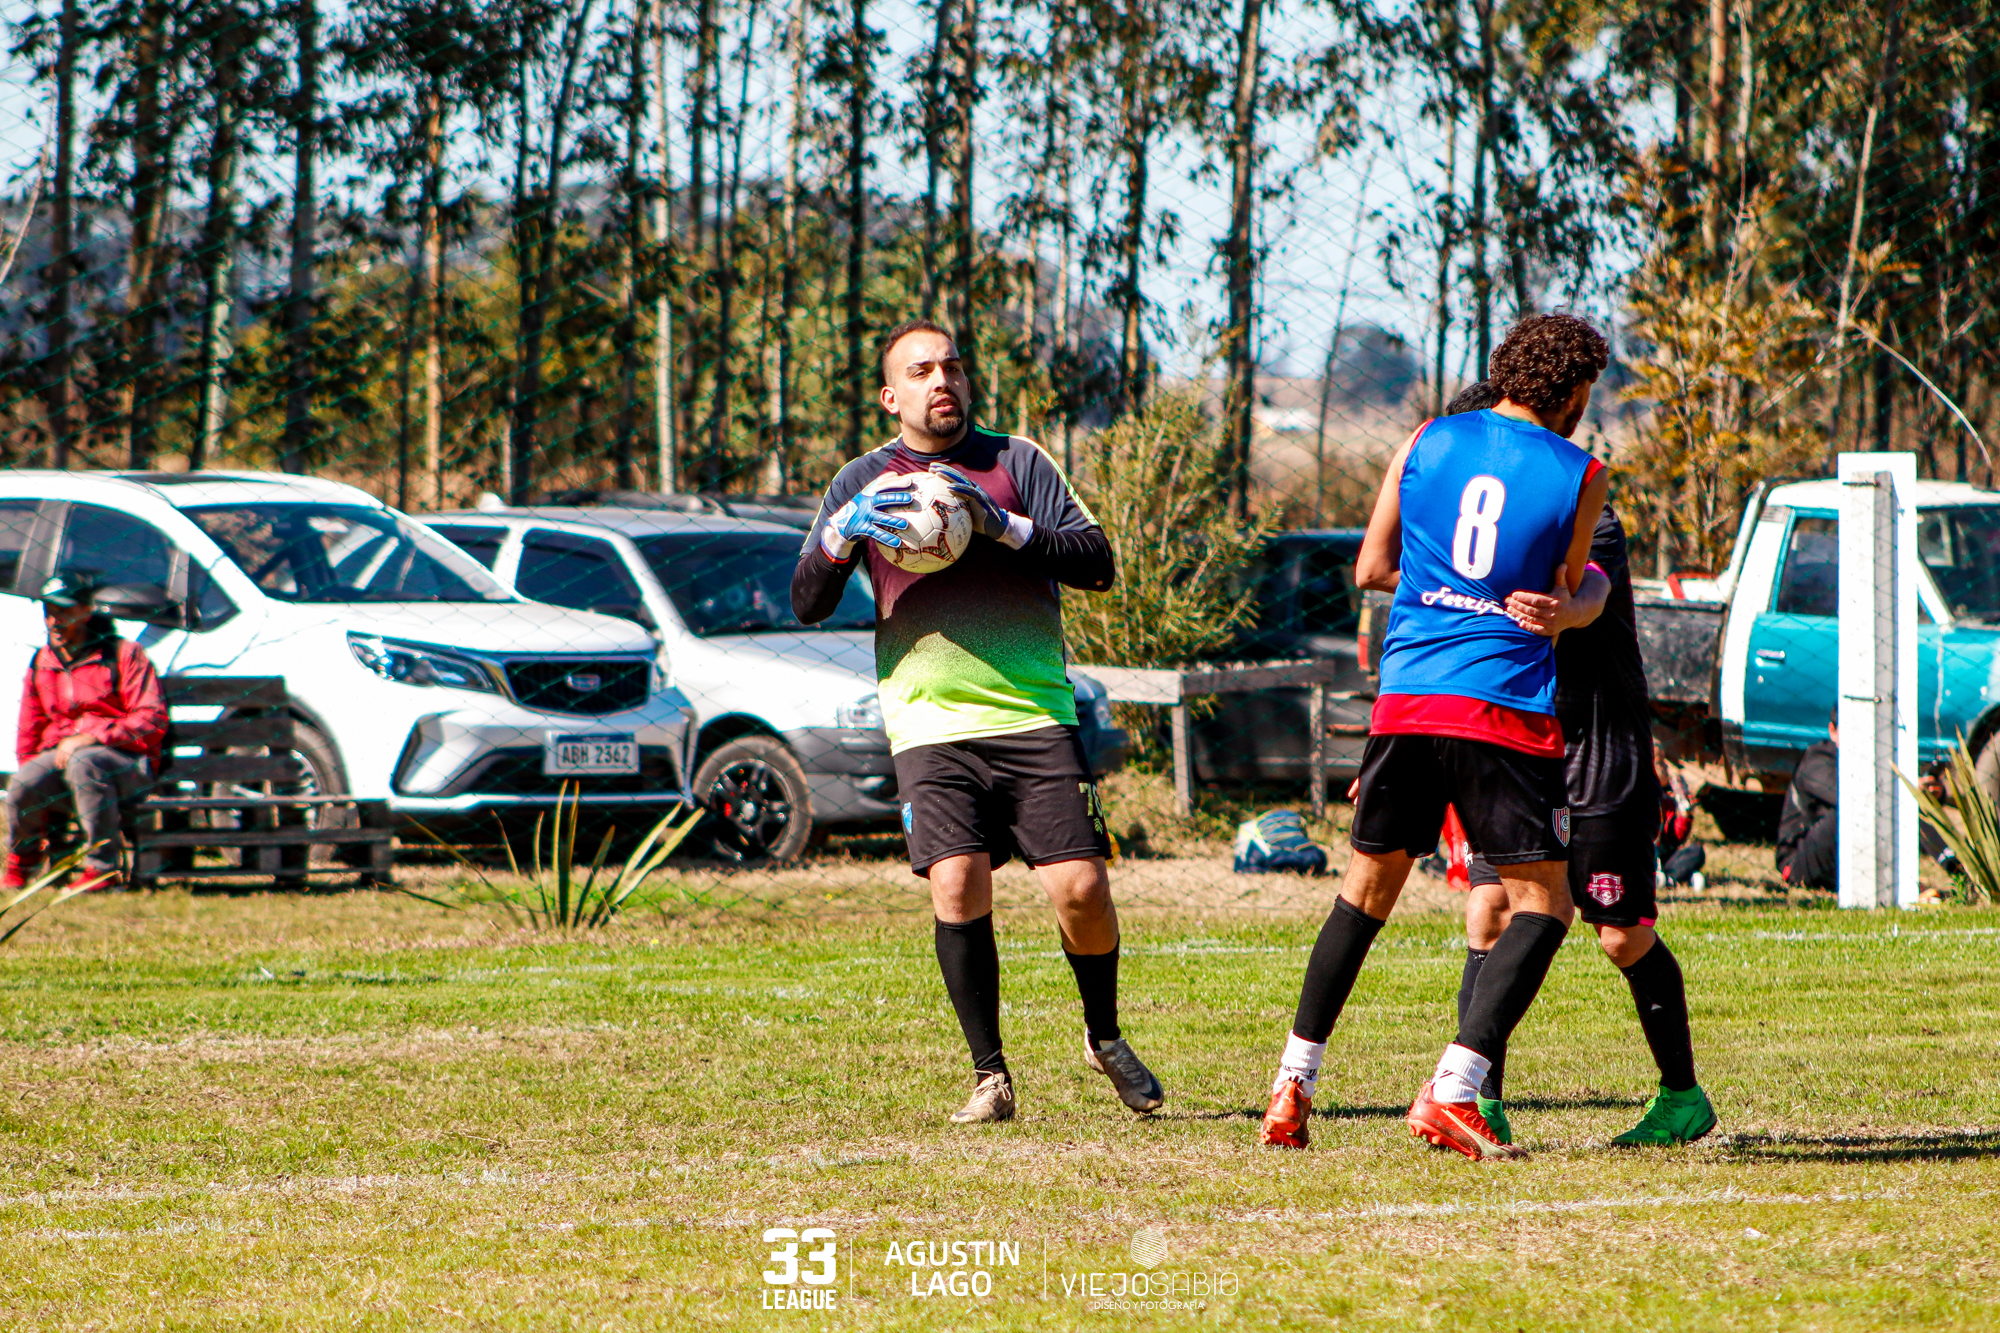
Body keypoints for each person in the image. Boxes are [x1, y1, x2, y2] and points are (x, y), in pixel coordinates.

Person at [791, 318, 1163, 1125]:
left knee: (1082, 888)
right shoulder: (863, 479)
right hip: (927, 719)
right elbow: (806, 601)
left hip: (1032, 709)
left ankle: (1102, 1035)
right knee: (957, 882)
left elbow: (1097, 562)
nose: (943, 381)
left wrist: (1001, 525)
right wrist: (840, 535)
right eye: (922, 371)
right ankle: (991, 1076)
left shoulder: (1016, 462)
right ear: (891, 396)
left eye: (953, 366)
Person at [1260, 313, 1611, 1161]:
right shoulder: (1581, 472)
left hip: (1408, 695)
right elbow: (1565, 594)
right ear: (1572, 392)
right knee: (1545, 903)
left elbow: (1371, 569)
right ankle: (1454, 1088)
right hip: (1499, 702)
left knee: (1364, 892)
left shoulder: (1424, 439)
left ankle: (1291, 1083)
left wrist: (1440, 586)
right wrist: (1580, 597)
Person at [1447, 380, 1718, 1149]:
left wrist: (1556, 607)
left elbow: (1579, 597)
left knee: (1619, 934)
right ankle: (1478, 1099)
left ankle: (1682, 1097)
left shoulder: (1584, 515)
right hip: (1520, 745)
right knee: (1491, 909)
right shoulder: (1468, 524)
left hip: (1598, 750)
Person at [6, 571, 168, 893]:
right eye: (49, 611)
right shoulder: (42, 661)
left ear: (86, 610)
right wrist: (34, 778)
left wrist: (92, 736)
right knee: (23, 783)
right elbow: (30, 728)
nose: (54, 621)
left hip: (127, 764)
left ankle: (102, 868)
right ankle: (23, 859)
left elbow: (151, 719)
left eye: (64, 611)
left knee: (86, 762)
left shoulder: (123, 654)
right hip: (63, 762)